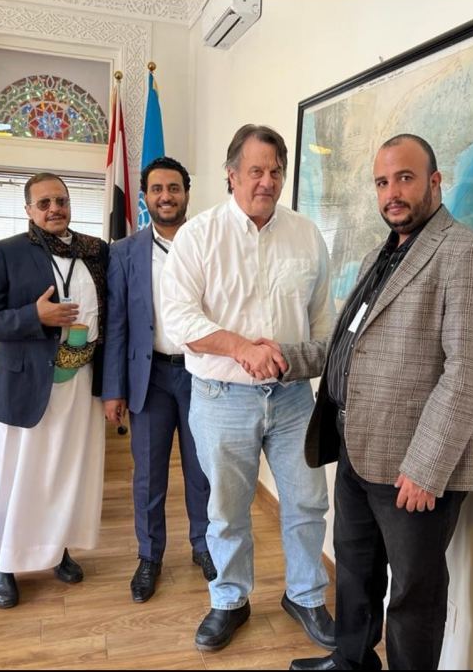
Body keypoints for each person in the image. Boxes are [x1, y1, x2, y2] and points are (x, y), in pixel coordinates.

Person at [272, 135, 473, 671]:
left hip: (413, 468)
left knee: (412, 595)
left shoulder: (468, 255)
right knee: (354, 573)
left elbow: (468, 373)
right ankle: (351, 662)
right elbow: (347, 344)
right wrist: (285, 357)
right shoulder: (377, 258)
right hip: (357, 451)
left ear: (434, 181)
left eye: (404, 178)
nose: (392, 193)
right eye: (382, 182)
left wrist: (426, 467)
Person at [161, 124, 337, 653]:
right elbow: (178, 319)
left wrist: (300, 362)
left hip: (292, 398)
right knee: (227, 510)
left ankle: (305, 595)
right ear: (231, 175)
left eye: (275, 171)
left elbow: (322, 320)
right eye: (256, 170)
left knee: (307, 501)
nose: (267, 181)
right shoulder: (199, 236)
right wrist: (241, 347)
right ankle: (230, 600)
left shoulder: (306, 235)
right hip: (221, 397)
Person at [0, 172, 109, 609]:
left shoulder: (95, 251)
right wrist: (35, 317)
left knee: (66, 474)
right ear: (29, 210)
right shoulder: (8, 251)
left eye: (61, 201)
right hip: (28, 384)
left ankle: (56, 549)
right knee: (18, 476)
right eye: (44, 203)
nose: (55, 209)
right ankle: (5, 563)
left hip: (81, 384)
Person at [102, 156, 216, 603]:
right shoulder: (124, 252)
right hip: (148, 377)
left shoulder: (209, 242)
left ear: (186, 193)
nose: (166, 196)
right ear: (145, 197)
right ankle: (150, 556)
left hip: (201, 373)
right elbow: (117, 324)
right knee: (148, 475)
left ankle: (204, 545)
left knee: (202, 470)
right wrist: (114, 389)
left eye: (174, 188)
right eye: (157, 189)